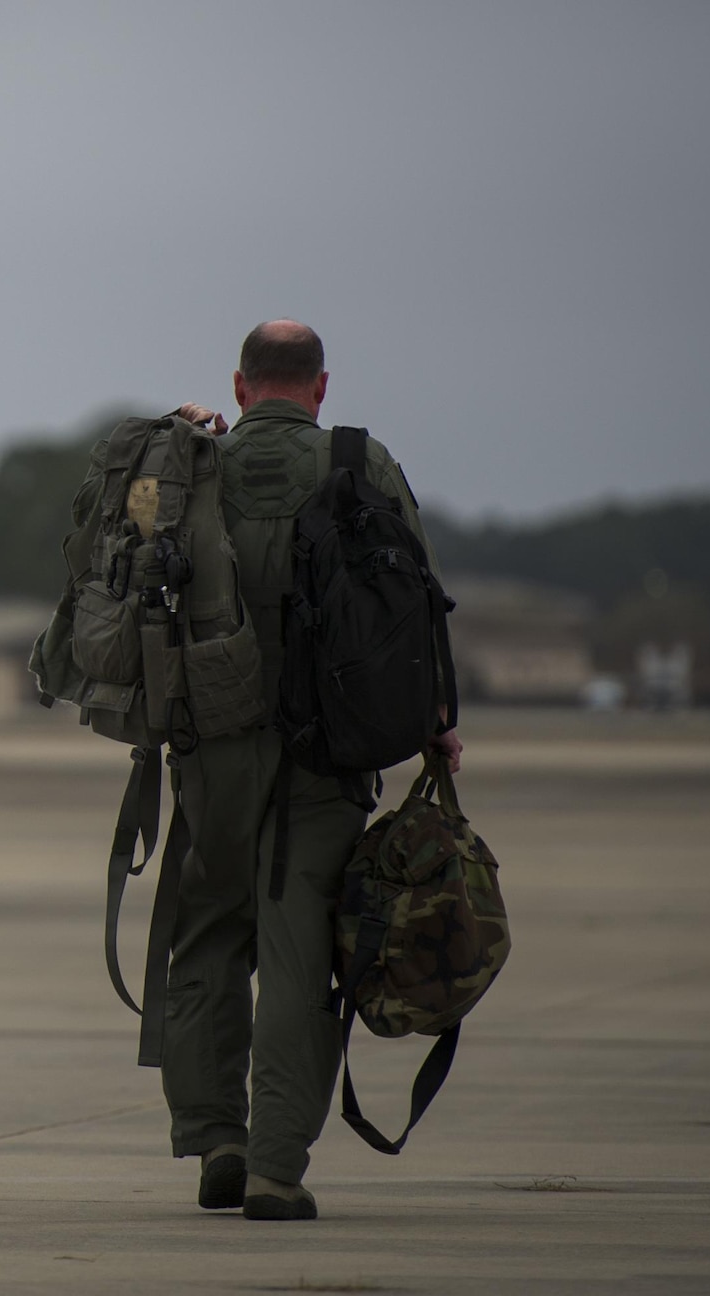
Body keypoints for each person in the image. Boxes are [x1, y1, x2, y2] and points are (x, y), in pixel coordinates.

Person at [163, 320, 461, 1220]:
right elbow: (416, 605)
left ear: (242, 386)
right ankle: (272, 1169)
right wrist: (435, 726)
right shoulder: (362, 466)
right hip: (323, 759)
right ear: (320, 389)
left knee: (209, 941)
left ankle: (215, 1136)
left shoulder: (188, 464)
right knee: (300, 955)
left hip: (209, 751)